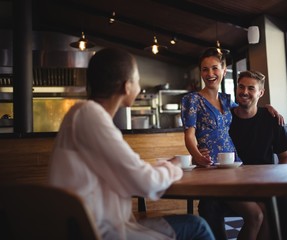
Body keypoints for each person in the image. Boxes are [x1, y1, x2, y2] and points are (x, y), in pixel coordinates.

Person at [48, 48, 215, 240]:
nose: (139, 85)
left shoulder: (81, 115)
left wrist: (157, 168)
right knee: (197, 226)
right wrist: (174, 166)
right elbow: (145, 183)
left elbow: (129, 171)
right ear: (127, 87)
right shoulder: (90, 116)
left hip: (90, 227)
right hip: (100, 233)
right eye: (137, 80)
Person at [181, 48, 280, 240]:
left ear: (224, 70)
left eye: (215, 68)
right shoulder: (191, 99)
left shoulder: (227, 100)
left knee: (266, 211)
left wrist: (266, 108)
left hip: (234, 167)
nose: (210, 74)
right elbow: (189, 135)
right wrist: (197, 156)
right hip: (211, 170)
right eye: (205, 69)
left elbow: (247, 108)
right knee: (256, 215)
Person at [229, 70, 287, 240]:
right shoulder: (226, 119)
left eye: (251, 88)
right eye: (241, 87)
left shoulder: (271, 119)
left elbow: (285, 157)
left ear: (260, 93)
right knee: (263, 213)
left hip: (266, 184)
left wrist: (279, 180)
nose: (244, 92)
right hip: (233, 184)